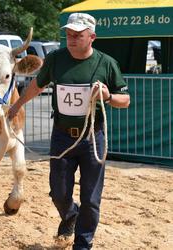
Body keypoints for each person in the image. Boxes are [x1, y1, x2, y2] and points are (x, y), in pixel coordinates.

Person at [8, 13, 130, 250]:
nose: (72, 39)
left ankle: (83, 245)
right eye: (69, 34)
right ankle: (70, 215)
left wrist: (108, 96)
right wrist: (15, 106)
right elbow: (37, 86)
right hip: (62, 136)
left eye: (78, 35)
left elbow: (125, 100)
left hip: (93, 137)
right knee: (58, 192)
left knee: (91, 199)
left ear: (91, 37)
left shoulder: (106, 63)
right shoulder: (55, 59)